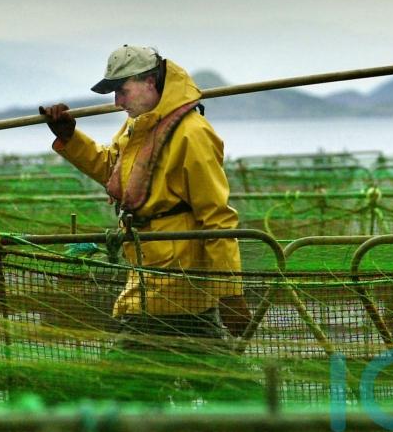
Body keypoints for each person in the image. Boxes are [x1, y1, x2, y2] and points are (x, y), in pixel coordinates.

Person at [39, 45, 251, 343]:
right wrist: (69, 138)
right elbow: (115, 170)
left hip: (176, 280)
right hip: (147, 272)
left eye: (122, 91)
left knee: (126, 377)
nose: (117, 102)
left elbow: (217, 218)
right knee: (209, 373)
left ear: (150, 82)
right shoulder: (138, 125)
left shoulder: (193, 134)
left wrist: (230, 293)